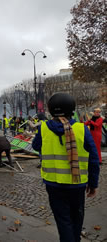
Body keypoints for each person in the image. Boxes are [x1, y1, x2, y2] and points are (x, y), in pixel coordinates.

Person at [32, 93, 100, 242]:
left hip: (53, 184)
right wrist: (93, 184)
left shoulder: (44, 128)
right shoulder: (81, 129)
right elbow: (94, 159)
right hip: (77, 184)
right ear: (72, 110)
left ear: (51, 110)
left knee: (63, 221)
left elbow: (35, 146)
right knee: (76, 219)